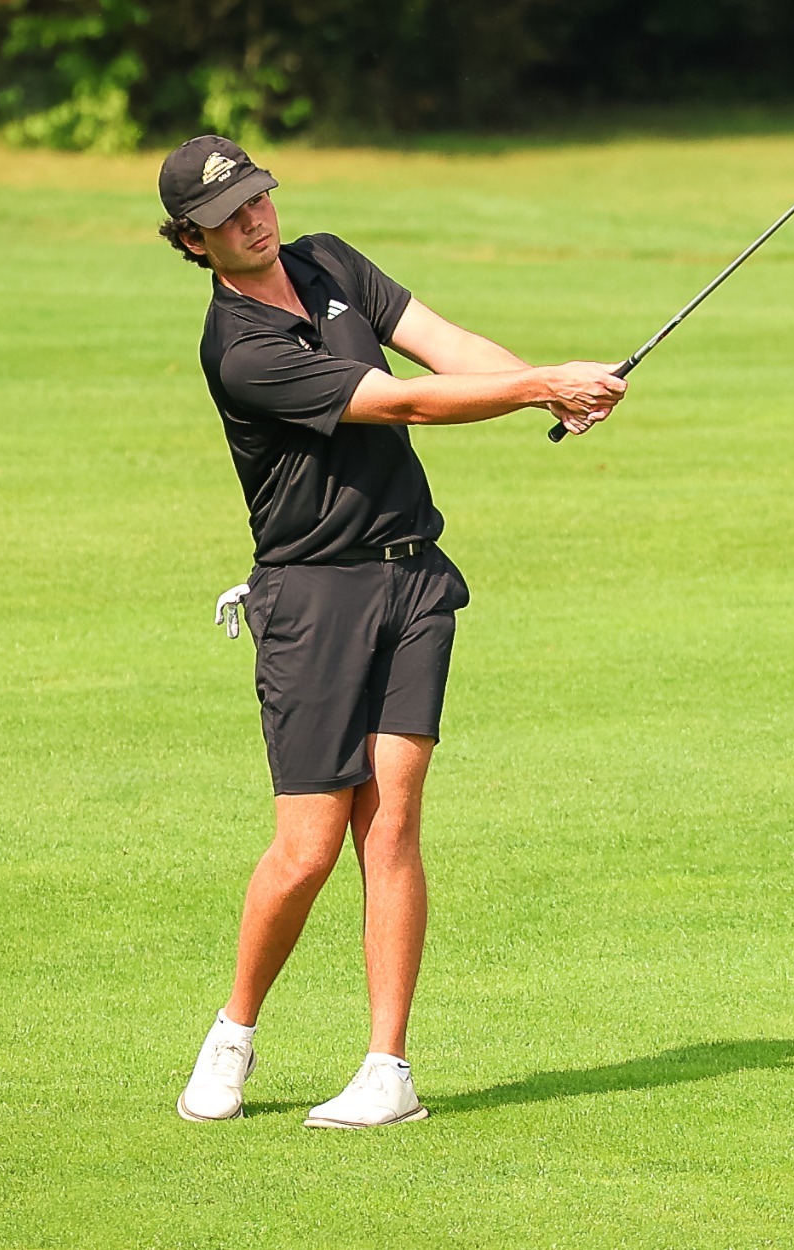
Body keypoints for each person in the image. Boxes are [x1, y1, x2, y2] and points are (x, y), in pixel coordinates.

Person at [154, 136, 625, 1129]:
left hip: (412, 578)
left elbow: (446, 351)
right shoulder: (237, 345)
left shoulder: (329, 262)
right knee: (309, 845)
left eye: (256, 196)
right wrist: (541, 388)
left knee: (395, 818)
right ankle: (234, 1029)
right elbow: (399, 401)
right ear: (192, 242)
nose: (253, 217)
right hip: (312, 598)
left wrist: (541, 380)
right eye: (228, 215)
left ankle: (386, 1066)